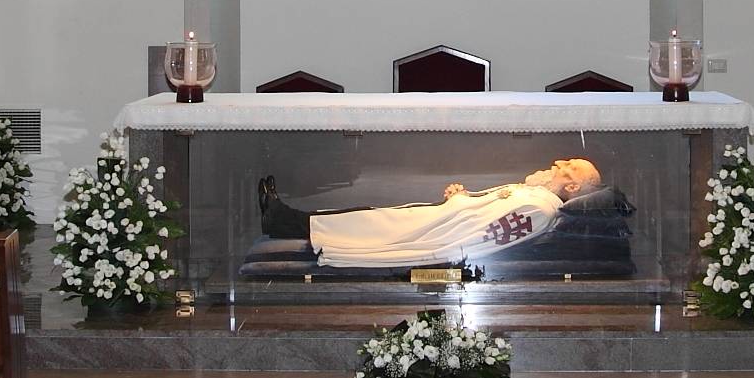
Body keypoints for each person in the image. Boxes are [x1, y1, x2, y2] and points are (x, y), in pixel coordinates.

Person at [257, 159, 603, 269]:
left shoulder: (538, 209)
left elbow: (481, 236)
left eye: (568, 166)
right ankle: (285, 217)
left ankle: (282, 219)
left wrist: (458, 203)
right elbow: (485, 211)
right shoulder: (537, 196)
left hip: (440, 234)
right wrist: (464, 197)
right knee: (369, 218)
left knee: (370, 224)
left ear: (572, 188)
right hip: (445, 219)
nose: (558, 163)